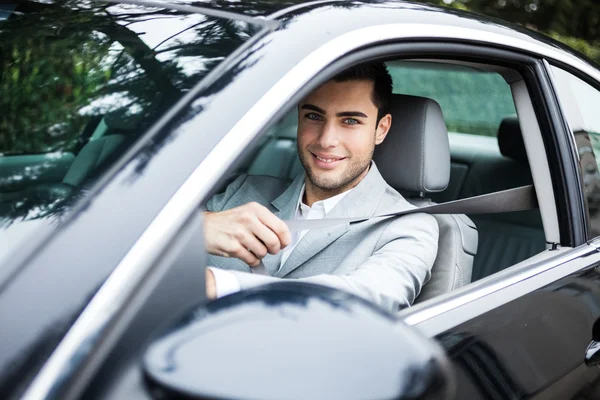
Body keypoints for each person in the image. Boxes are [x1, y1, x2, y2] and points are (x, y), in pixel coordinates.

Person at [203, 62, 439, 312]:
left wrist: (217, 284)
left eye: (350, 121)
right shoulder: (239, 193)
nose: (326, 140)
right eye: (314, 116)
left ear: (381, 129)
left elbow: (361, 303)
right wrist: (199, 228)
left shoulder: (409, 227)